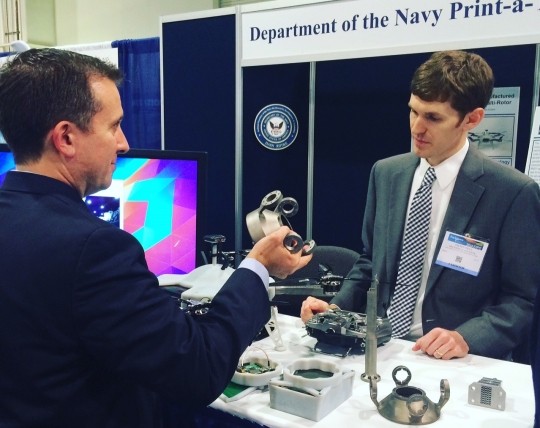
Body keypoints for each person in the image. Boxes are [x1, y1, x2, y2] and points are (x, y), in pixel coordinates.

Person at [0, 48, 312, 427]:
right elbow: (198, 369)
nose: (124, 143)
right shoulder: (95, 248)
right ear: (66, 137)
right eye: (113, 126)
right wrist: (257, 267)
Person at [301, 50, 540, 361]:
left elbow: (521, 300)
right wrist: (337, 308)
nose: (417, 127)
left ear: (472, 119)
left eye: (433, 117)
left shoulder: (513, 193)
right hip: (380, 348)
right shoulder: (386, 174)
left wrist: (465, 338)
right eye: (413, 111)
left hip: (452, 361)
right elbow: (370, 262)